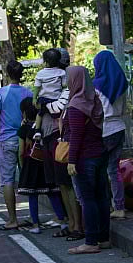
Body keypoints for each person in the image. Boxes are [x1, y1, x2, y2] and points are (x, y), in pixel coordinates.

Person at [39, 48, 83, 241]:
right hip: (60, 142)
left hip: (69, 145)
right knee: (63, 185)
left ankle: (77, 226)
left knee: (70, 186)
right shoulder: (65, 89)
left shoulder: (72, 94)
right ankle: (71, 223)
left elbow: (56, 109)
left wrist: (42, 102)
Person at [65, 65, 109, 254]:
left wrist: (71, 160)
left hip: (84, 157)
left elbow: (76, 135)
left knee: (87, 199)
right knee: (101, 197)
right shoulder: (94, 100)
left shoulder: (76, 105)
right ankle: (103, 237)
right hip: (99, 153)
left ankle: (91, 241)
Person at [0, 60, 33, 231]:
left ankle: (12, 219)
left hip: (6, 140)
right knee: (27, 178)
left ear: (7, 74)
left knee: (7, 180)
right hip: (25, 140)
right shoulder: (28, 93)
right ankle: (32, 216)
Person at [16, 98, 68, 235]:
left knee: (32, 196)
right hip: (45, 163)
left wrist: (22, 167)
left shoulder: (24, 129)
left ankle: (35, 225)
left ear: (24, 113)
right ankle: (62, 222)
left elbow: (21, 151)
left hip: (30, 166)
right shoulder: (43, 127)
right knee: (52, 193)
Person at [92, 50, 128, 220]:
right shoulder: (122, 83)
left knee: (100, 171)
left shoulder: (96, 85)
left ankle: (107, 204)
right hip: (119, 128)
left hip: (104, 130)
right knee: (114, 170)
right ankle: (120, 206)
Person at [32, 48, 67, 141]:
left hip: (43, 100)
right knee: (59, 117)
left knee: (40, 114)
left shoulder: (40, 73)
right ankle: (61, 135)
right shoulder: (62, 72)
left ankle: (37, 131)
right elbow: (64, 85)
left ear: (45, 61)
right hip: (56, 100)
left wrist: (34, 98)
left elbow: (37, 87)